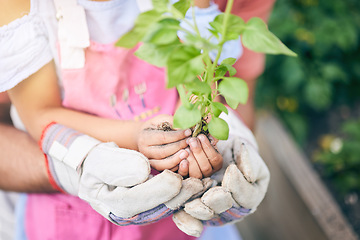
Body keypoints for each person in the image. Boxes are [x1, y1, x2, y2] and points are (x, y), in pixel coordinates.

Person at [0, 0, 271, 239]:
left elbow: (198, 78)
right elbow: (40, 113)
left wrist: (201, 135)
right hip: (70, 217)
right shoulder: (20, 7)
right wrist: (134, 137)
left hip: (173, 205)